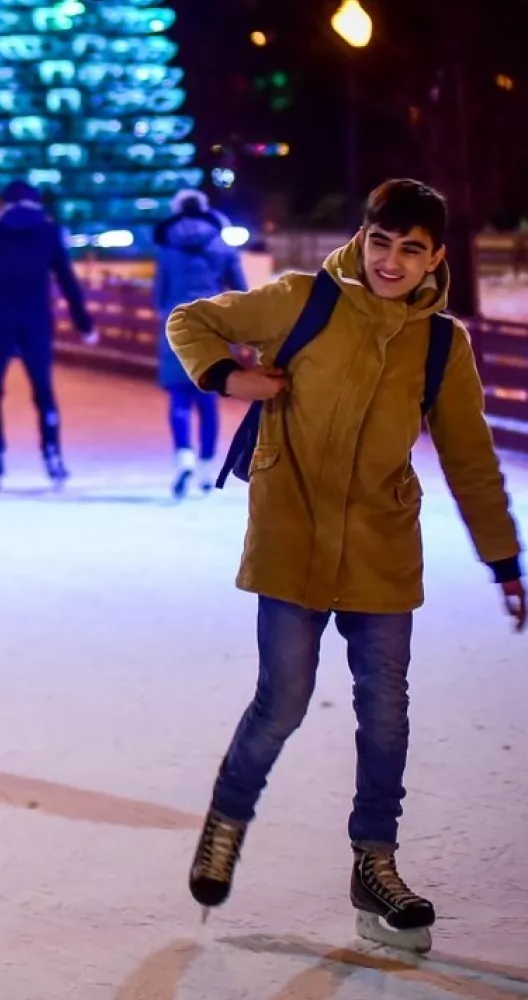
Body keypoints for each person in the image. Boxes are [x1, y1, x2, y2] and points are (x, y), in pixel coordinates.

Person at [169, 179, 525, 954]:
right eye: (381, 242)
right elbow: (191, 319)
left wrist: (503, 556)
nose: (391, 261)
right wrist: (230, 377)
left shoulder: (440, 343)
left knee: (387, 712)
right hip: (292, 542)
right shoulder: (304, 301)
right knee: (283, 702)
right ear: (363, 237)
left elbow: (468, 456)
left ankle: (375, 862)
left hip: (379, 550)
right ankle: (225, 823)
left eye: (411, 249)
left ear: (435, 259)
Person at [0, 180, 93, 490]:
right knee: (42, 390)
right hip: (35, 322)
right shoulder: (47, 231)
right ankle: (52, 454)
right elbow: (66, 278)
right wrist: (84, 323)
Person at [153, 189, 247, 498]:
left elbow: (159, 296)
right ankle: (207, 469)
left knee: (179, 397)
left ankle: (184, 457)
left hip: (176, 327)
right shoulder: (222, 247)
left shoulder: (166, 250)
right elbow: (241, 292)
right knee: (207, 399)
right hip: (213, 327)